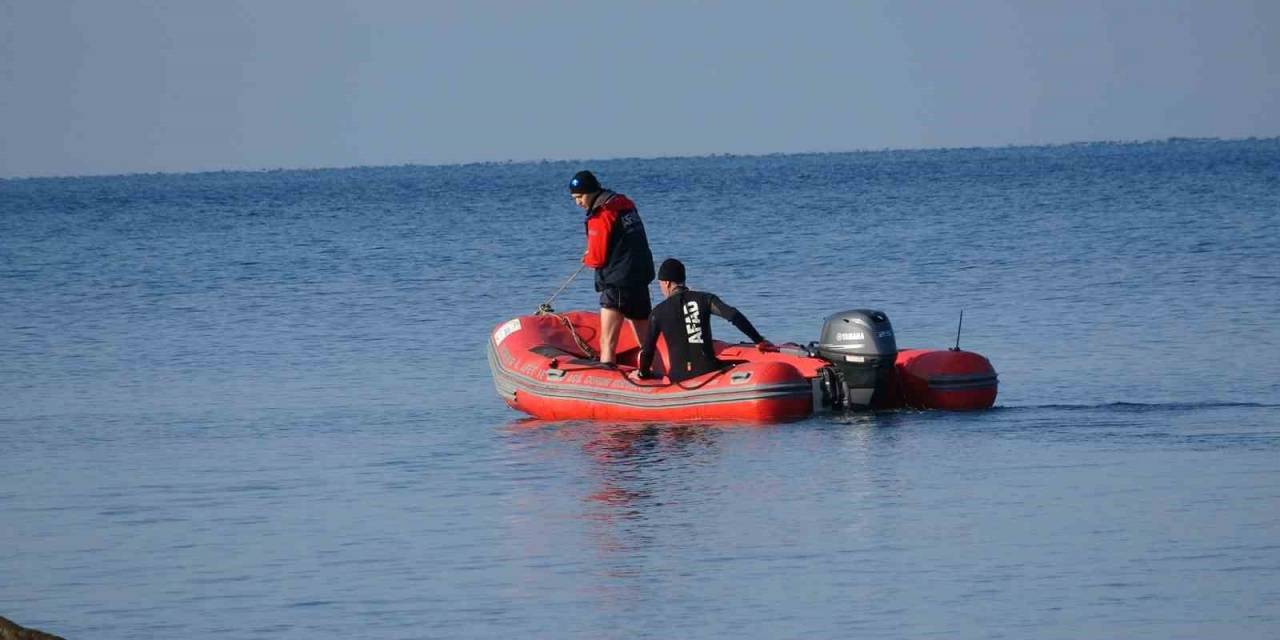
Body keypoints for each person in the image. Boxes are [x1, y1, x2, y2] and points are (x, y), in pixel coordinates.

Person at [634, 258, 776, 383]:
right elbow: (733, 315)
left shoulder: (658, 312)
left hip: (678, 378)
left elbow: (647, 351)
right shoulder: (704, 299)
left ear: (666, 283)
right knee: (745, 364)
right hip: (708, 370)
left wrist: (643, 373)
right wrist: (758, 340)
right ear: (683, 280)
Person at [569, 170, 655, 366]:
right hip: (640, 279)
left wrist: (588, 258)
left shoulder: (601, 214)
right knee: (646, 342)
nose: (578, 202)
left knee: (607, 342)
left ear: (591, 192)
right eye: (574, 198)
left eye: (580, 197)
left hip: (617, 283)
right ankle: (656, 374)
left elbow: (596, 259)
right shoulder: (625, 204)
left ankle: (608, 377)